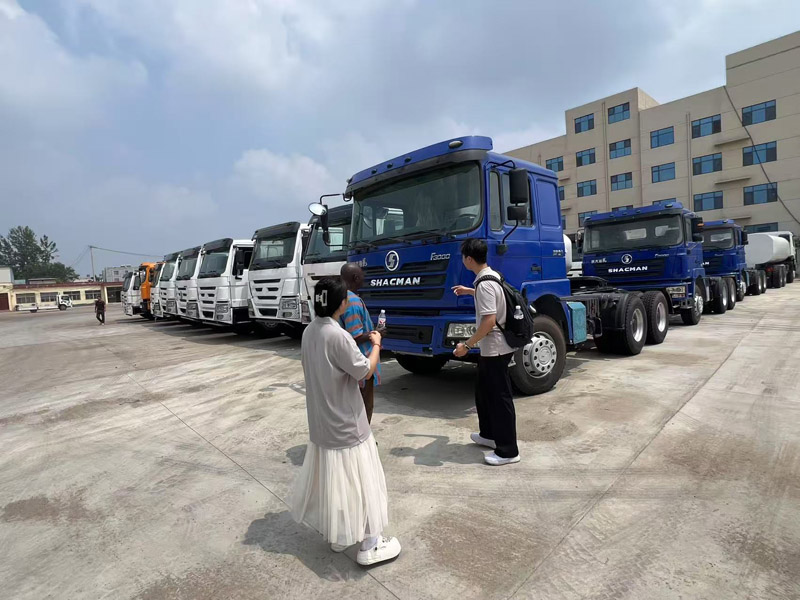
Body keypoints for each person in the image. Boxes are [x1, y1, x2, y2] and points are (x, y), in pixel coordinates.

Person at [291, 276, 401, 566]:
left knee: (336, 482)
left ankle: (339, 536)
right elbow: (364, 371)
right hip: (348, 422)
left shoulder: (309, 332)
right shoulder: (336, 335)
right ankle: (370, 543)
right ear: (342, 304)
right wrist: (376, 343)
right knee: (362, 481)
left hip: (322, 423)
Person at [452, 238, 520, 466]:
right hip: (491, 350)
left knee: (500, 398)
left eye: (463, 257)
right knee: (484, 392)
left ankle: (508, 450)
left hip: (496, 349)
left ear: (469, 259)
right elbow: (491, 298)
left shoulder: (485, 284)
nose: (462, 260)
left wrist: (467, 345)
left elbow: (489, 321)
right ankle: (489, 435)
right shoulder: (489, 277)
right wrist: (469, 291)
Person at [339, 263, 381, 423]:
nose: (364, 278)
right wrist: (376, 335)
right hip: (362, 362)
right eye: (362, 275)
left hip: (349, 364)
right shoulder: (353, 301)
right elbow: (354, 336)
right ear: (356, 278)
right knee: (365, 405)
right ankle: (365, 441)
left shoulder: (342, 297)